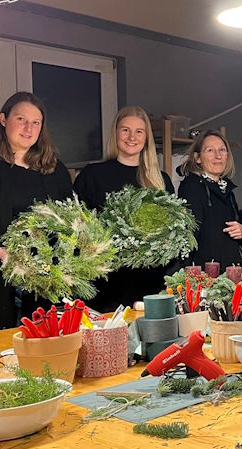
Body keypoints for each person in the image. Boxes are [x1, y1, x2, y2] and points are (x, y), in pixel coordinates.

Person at [0, 92, 73, 328]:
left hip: (45, 289)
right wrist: (4, 254)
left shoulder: (55, 170)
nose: (29, 128)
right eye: (21, 119)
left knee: (46, 348)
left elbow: (70, 222)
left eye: (36, 122)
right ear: (3, 119)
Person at [73, 106, 174, 312]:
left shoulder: (160, 180)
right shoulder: (92, 175)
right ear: (116, 133)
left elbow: (172, 233)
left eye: (139, 131)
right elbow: (76, 227)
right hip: (105, 285)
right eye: (125, 130)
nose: (132, 137)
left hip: (150, 285)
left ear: (146, 138)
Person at [177, 130, 242, 270]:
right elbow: (188, 239)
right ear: (197, 158)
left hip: (230, 273)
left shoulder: (227, 190)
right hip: (204, 276)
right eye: (210, 150)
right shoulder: (191, 188)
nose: (218, 156)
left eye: (222, 150)